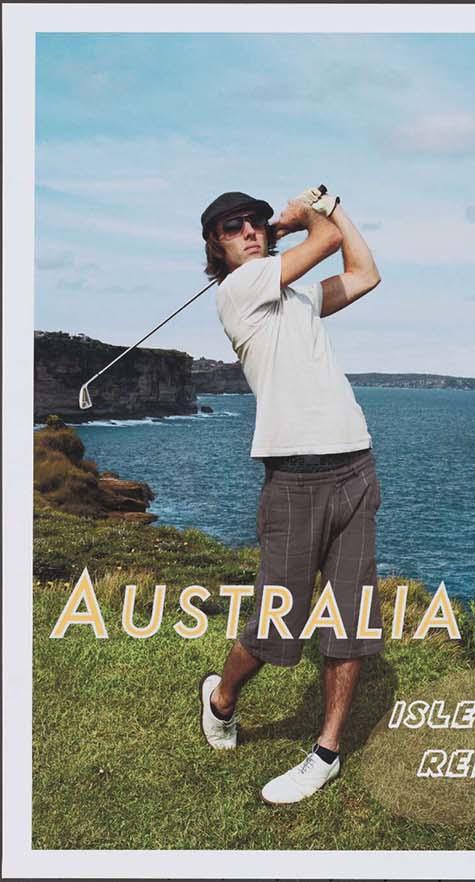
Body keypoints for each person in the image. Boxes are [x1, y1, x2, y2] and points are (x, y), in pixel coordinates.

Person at [195, 186, 383, 805]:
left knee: (351, 621)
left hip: (355, 464)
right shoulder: (239, 289)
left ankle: (326, 752)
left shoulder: (296, 296)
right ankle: (221, 700)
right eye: (233, 228)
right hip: (296, 481)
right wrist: (306, 219)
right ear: (216, 247)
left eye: (256, 222)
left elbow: (365, 273)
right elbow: (325, 242)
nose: (249, 231)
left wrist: (334, 206)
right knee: (279, 626)